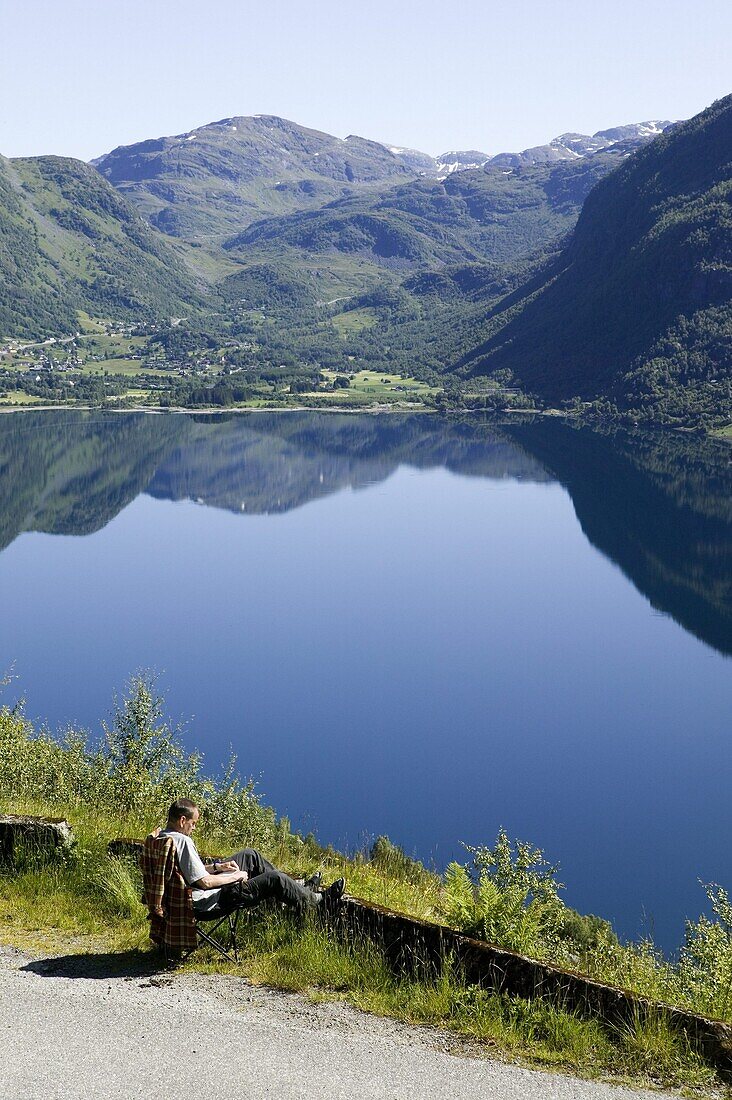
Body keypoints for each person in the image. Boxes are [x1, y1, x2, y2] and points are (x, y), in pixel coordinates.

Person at [158, 797, 345, 917]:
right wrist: (235, 876)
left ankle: (298, 890)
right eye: (193, 823)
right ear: (183, 820)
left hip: (192, 893)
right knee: (275, 878)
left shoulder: (162, 838)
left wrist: (218, 868)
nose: (194, 827)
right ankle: (315, 902)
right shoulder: (182, 841)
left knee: (250, 855)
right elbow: (204, 883)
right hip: (209, 900)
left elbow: (189, 872)